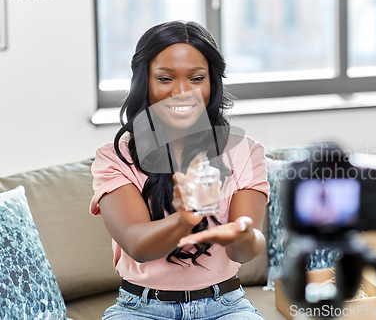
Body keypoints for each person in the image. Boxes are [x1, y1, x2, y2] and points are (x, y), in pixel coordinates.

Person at [89, 21, 270, 320]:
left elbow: (245, 249)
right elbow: (138, 245)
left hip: (226, 306)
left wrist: (242, 235)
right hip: (141, 309)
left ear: (212, 83)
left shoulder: (245, 153)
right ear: (144, 81)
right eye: (165, 78)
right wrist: (185, 219)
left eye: (197, 78)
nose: (182, 92)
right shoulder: (114, 158)